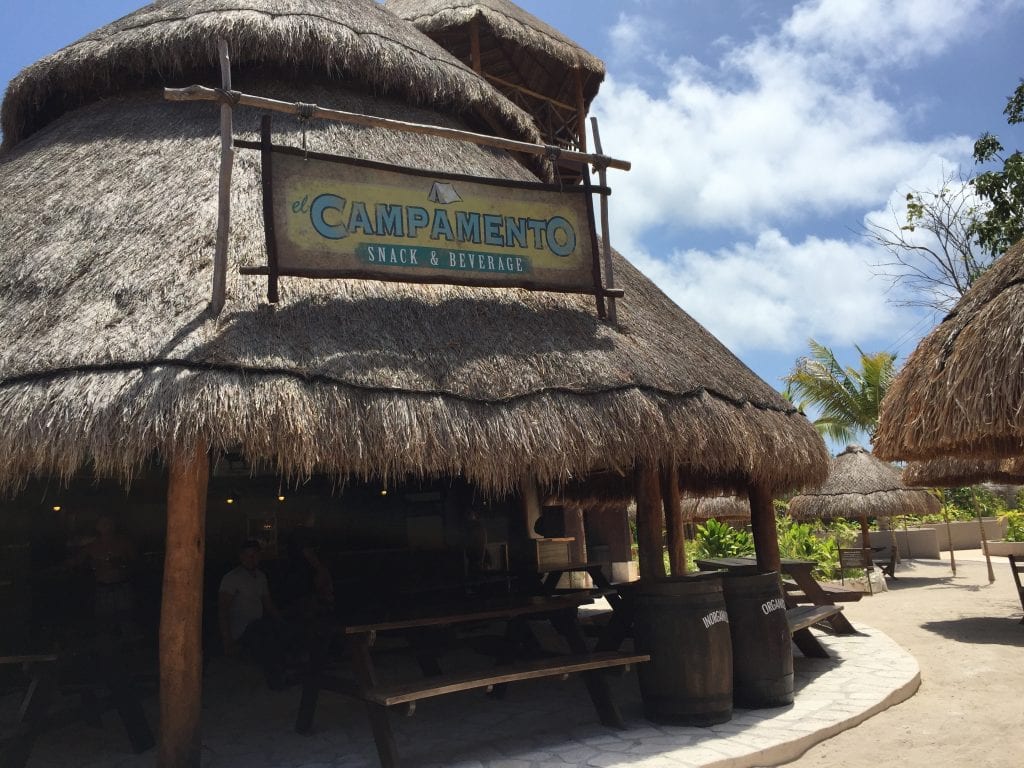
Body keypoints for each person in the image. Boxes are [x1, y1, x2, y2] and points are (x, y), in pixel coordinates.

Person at [218, 540, 288, 689]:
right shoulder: (232, 578)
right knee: (265, 635)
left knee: (274, 633)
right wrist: (227, 641)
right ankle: (275, 681)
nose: (252, 559)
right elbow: (223, 610)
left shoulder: (261, 577)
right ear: (241, 557)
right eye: (248, 556)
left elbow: (268, 604)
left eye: (255, 555)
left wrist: (282, 622)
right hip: (242, 630)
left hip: (258, 626)